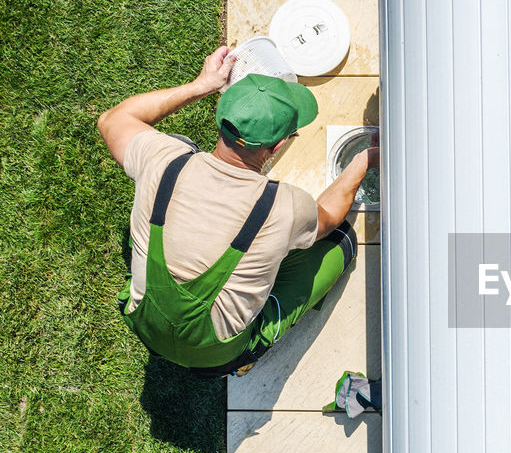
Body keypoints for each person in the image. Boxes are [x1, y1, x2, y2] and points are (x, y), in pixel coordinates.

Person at [97, 45, 378, 377]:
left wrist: (200, 85)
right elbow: (329, 217)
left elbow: (112, 120)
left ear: (220, 120)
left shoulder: (163, 159)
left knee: (177, 142)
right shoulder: (284, 206)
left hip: (144, 320)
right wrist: (363, 162)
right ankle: (245, 358)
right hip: (216, 355)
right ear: (278, 146)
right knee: (338, 241)